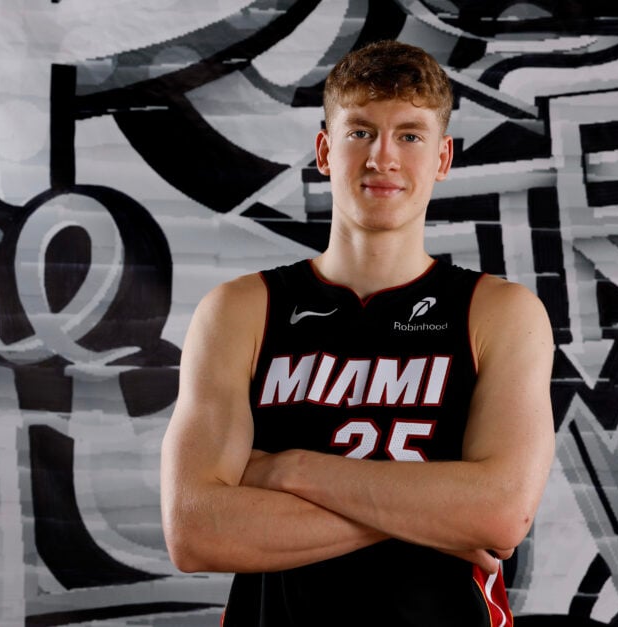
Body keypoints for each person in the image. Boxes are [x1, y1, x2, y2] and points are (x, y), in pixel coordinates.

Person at [160, 39, 555, 626]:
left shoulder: (498, 312)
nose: (383, 158)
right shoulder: (242, 311)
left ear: (442, 158)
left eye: (411, 135)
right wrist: (435, 515)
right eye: (360, 132)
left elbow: (501, 514)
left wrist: (286, 470)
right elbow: (195, 531)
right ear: (325, 150)